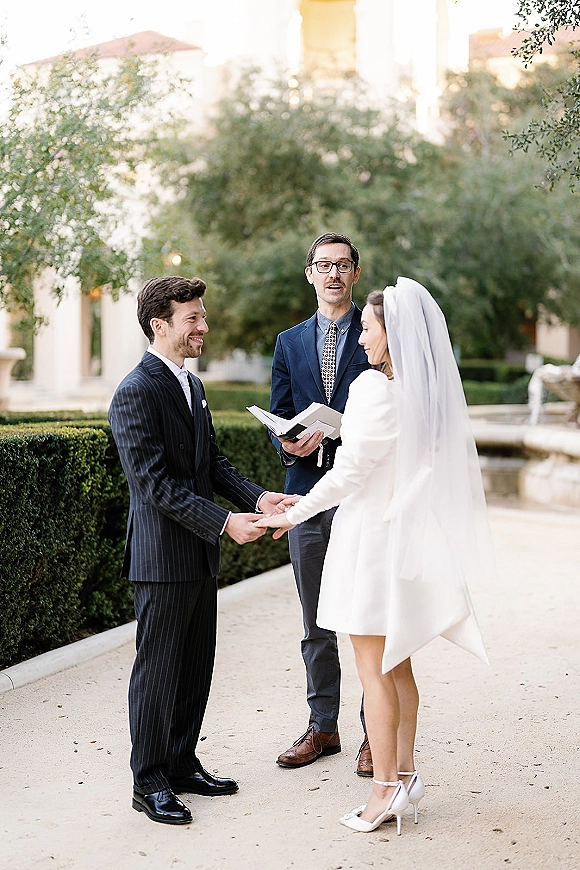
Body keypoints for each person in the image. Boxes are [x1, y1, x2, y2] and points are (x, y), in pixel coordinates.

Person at [256, 278, 489, 834]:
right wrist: (306, 499)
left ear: (394, 333)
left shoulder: (372, 389)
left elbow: (350, 473)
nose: (360, 338)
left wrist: (291, 513)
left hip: (369, 543)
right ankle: (404, 774)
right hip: (398, 537)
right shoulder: (418, 394)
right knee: (398, 664)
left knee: (374, 670)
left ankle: (384, 789)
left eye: (368, 328)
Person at [108, 276, 284, 826]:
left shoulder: (192, 386)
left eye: (202, 316)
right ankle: (149, 781)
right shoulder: (135, 391)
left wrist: (260, 497)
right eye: (193, 319)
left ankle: (181, 763)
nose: (203, 326)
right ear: (160, 325)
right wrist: (225, 522)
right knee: (158, 671)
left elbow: (212, 465)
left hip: (199, 556)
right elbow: (154, 486)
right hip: (161, 560)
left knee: (194, 667)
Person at [269, 232, 371, 773]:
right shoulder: (287, 343)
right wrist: (285, 440)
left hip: (362, 495)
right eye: (323, 265)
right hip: (306, 494)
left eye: (342, 265)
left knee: (367, 613)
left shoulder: (378, 334)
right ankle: (321, 726)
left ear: (355, 273)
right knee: (315, 618)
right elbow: (279, 413)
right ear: (309, 273)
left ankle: (373, 731)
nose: (333, 274)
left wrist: (343, 435)